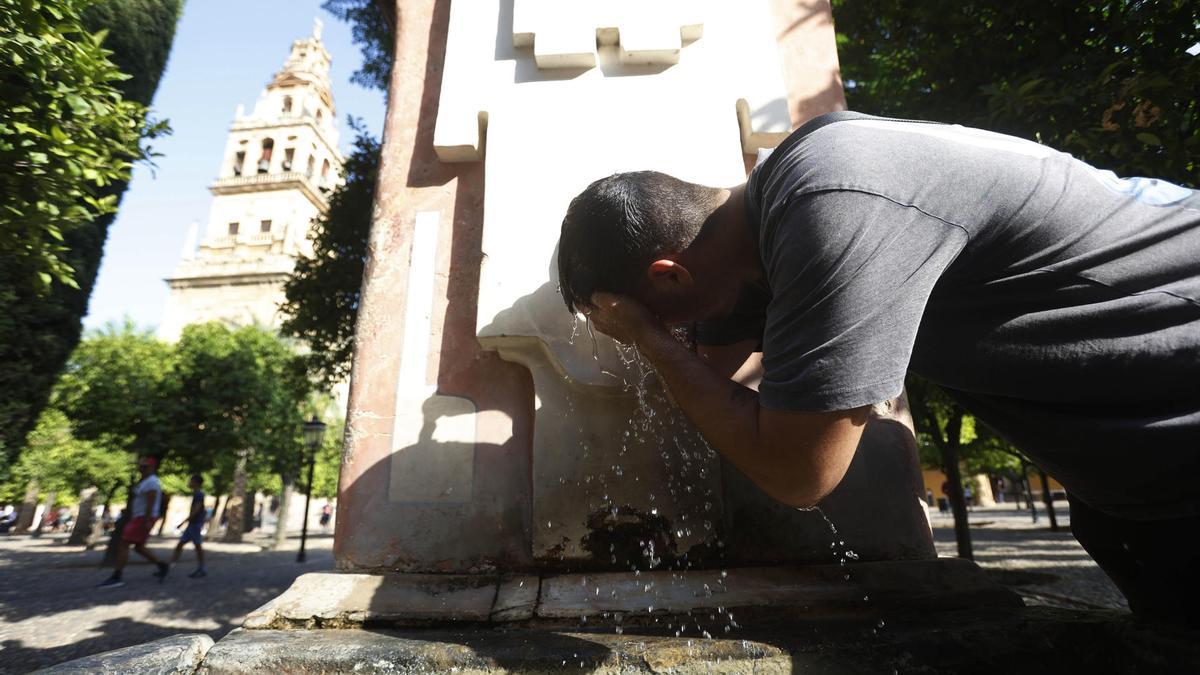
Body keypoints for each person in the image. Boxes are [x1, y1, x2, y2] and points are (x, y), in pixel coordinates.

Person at [556, 111, 1200, 622]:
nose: (668, 336)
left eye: (661, 317)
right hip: (1140, 484)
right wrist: (665, 335)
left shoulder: (831, 206)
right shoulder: (775, 218)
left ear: (669, 277)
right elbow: (711, 372)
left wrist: (649, 338)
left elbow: (798, 470)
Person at [98, 456, 169, 588]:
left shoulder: (152, 482)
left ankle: (117, 576)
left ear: (152, 468)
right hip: (140, 517)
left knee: (124, 543)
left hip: (142, 518)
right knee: (138, 547)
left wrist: (147, 520)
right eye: (140, 466)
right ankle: (162, 565)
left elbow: (151, 502)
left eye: (145, 466)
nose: (141, 469)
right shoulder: (145, 481)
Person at [171, 474, 207, 578]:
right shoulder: (197, 494)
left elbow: (197, 509)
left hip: (195, 524)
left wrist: (184, 522)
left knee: (197, 546)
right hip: (193, 523)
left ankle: (201, 568)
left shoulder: (199, 495)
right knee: (181, 544)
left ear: (196, 483)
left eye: (191, 481)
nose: (189, 482)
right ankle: (170, 566)